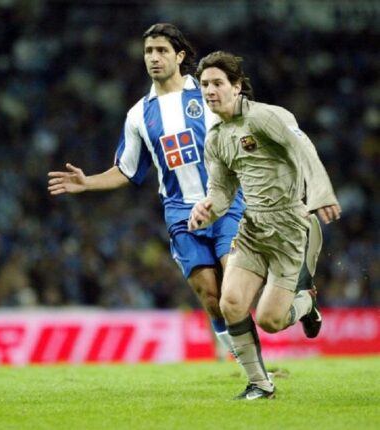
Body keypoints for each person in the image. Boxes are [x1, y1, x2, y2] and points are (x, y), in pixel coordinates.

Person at [48, 23, 246, 359]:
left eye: (162, 51)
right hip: (182, 213)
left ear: (179, 56)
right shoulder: (139, 114)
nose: (154, 57)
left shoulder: (208, 93)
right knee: (211, 297)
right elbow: (127, 170)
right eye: (148, 51)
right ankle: (250, 368)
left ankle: (273, 337)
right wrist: (88, 182)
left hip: (225, 204)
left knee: (234, 290)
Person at [189, 51, 341, 400]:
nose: (210, 91)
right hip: (252, 229)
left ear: (236, 86)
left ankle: (305, 304)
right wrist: (206, 211)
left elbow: (304, 148)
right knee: (230, 303)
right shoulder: (216, 138)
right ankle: (259, 384)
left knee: (271, 321)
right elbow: (222, 193)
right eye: (204, 85)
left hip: (290, 228)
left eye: (217, 83)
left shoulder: (266, 117)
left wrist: (320, 193)